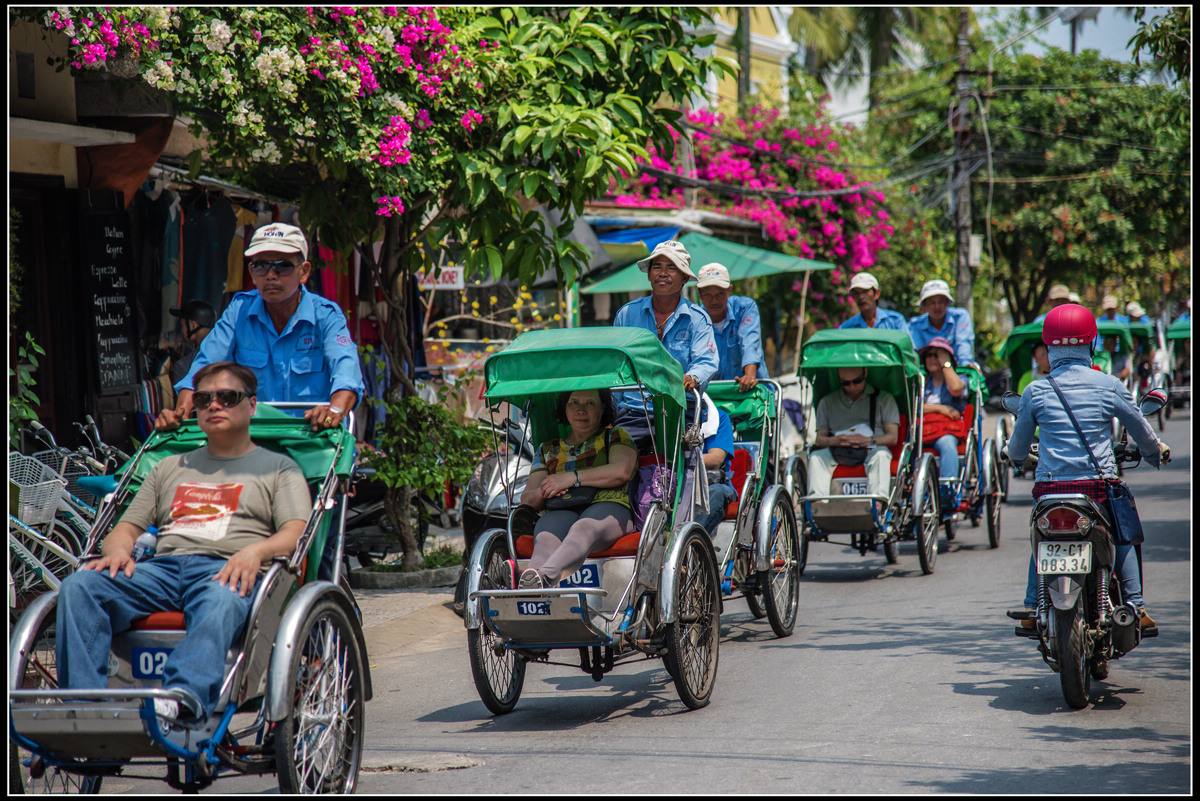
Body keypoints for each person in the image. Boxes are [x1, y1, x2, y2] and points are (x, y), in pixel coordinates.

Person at [55, 361, 312, 725]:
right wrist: (117, 551)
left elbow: (294, 533)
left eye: (227, 397)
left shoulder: (278, 468)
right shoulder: (168, 467)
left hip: (225, 570)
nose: (213, 405)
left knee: (220, 600)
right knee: (81, 585)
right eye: (204, 399)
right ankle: (84, 708)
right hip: (161, 569)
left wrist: (256, 551)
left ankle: (183, 698)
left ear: (251, 405)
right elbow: (126, 528)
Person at [1006, 305, 1170, 633]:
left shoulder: (1036, 391)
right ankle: (1135, 606)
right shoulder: (1108, 385)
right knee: (1125, 531)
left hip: (1050, 491)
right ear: (1091, 343)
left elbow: (1017, 449)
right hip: (1097, 487)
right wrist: (1156, 453)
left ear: (1048, 346)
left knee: (1041, 534)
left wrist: (1018, 459)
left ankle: (1032, 604)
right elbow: (1142, 432)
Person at [156, 223, 364, 433]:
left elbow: (346, 371)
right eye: (261, 266)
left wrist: (333, 410)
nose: (271, 275)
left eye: (282, 266)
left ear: (304, 271)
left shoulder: (326, 316)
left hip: (314, 438)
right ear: (251, 273)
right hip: (254, 442)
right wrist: (180, 411)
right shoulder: (239, 311)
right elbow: (204, 366)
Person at [515, 389, 638, 589]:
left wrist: (571, 479)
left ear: (602, 408)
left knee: (584, 527)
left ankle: (547, 576)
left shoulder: (616, 436)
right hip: (561, 508)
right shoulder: (548, 449)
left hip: (608, 507)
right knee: (546, 537)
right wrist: (546, 489)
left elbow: (621, 471)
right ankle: (529, 581)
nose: (581, 410)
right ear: (565, 408)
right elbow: (528, 499)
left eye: (590, 403)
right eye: (574, 403)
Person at [612, 239, 718, 444]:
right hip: (634, 411)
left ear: (684, 277)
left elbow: (706, 361)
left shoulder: (698, 318)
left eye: (672, 268)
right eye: (657, 267)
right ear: (649, 273)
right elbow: (616, 364)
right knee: (617, 455)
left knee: (681, 463)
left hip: (679, 410)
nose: (663, 273)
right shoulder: (627, 314)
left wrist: (692, 377)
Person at [805, 367, 900, 509]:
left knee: (881, 455)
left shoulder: (884, 399)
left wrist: (868, 441)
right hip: (837, 449)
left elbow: (893, 437)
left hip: (871, 447)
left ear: (865, 374)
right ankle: (818, 507)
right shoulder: (827, 402)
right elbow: (820, 439)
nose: (852, 387)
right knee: (816, 458)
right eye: (846, 383)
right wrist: (836, 440)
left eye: (857, 381)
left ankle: (878, 506)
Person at [696, 263, 768, 391]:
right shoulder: (695, 319)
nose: (714, 301)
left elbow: (750, 342)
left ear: (729, 290)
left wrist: (749, 376)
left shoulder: (745, 308)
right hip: (714, 398)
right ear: (700, 294)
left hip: (752, 393)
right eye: (708, 295)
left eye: (720, 294)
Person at [919, 338, 968, 510]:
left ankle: (947, 490)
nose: (932, 359)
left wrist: (946, 364)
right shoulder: (921, 381)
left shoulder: (959, 378)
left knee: (947, 443)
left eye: (937, 355)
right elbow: (914, 406)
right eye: (929, 355)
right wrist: (941, 408)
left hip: (946, 431)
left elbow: (956, 389)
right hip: (923, 430)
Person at [909, 279, 977, 367]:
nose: (937, 306)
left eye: (941, 302)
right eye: (932, 303)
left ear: (948, 303)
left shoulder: (960, 317)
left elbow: (963, 345)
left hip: (957, 370)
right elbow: (915, 355)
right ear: (924, 306)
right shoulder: (915, 325)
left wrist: (966, 365)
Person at [696, 394, 738, 536]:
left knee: (716, 493)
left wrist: (685, 461)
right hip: (680, 484)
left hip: (713, 484)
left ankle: (691, 543)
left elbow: (716, 458)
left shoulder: (718, 417)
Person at [839, 272, 909, 333]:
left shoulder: (895, 321)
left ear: (877, 294)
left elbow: (907, 347)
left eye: (865, 291)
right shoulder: (847, 328)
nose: (861, 297)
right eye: (856, 293)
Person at [167, 299, 216, 385]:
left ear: (193, 325)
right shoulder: (229, 351)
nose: (182, 330)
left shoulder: (183, 366)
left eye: (182, 326)